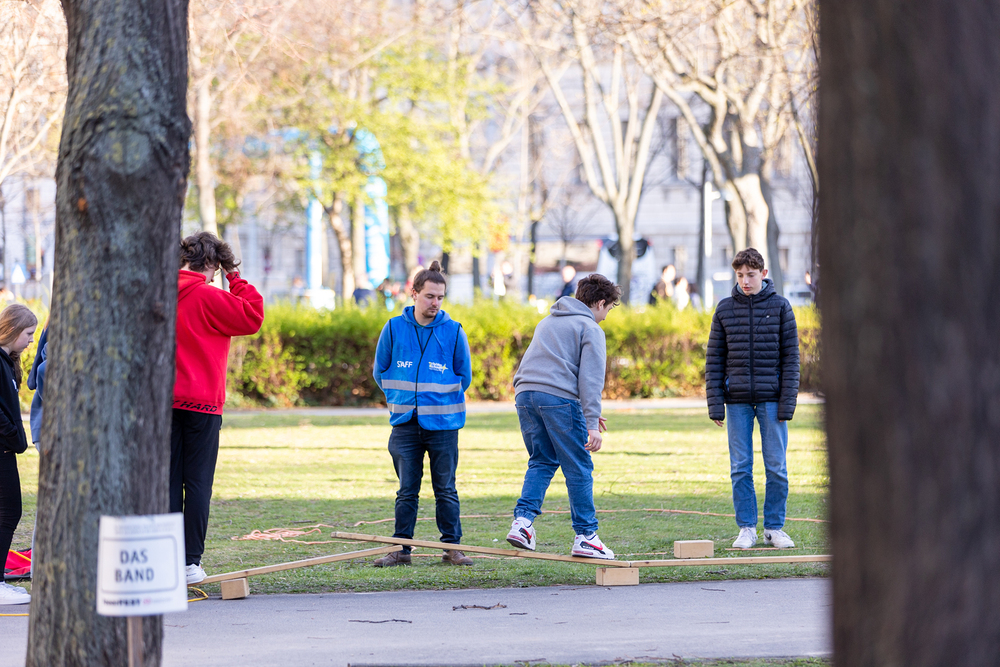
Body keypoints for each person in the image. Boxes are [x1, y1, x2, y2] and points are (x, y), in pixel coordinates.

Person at [505, 273, 621, 560]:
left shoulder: (548, 321)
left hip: (526, 396)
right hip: (558, 398)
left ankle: (523, 523)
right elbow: (590, 380)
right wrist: (591, 424)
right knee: (579, 465)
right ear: (600, 303)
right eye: (608, 310)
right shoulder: (590, 328)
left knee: (542, 459)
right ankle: (586, 536)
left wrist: (588, 413)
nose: (605, 317)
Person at [172, 232, 264, 584]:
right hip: (203, 402)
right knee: (197, 484)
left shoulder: (156, 293)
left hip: (161, 403)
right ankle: (189, 562)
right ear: (212, 264)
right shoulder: (209, 296)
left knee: (166, 482)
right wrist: (235, 278)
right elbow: (252, 316)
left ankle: (167, 557)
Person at [372, 261, 474, 567]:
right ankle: (401, 549)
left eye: (440, 297)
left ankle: (452, 548)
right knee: (406, 491)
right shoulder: (393, 328)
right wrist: (401, 399)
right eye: (430, 296)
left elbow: (464, 376)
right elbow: (380, 371)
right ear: (414, 293)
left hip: (444, 424)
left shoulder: (454, 331)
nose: (435, 303)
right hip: (405, 423)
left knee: (446, 489)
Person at [706, 248, 799, 549]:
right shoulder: (724, 309)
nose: (745, 281)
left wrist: (787, 403)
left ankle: (774, 528)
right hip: (737, 402)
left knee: (776, 467)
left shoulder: (781, 307)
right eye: (740, 275)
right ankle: (746, 528)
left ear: (764, 274)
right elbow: (714, 360)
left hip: (772, 401)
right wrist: (715, 404)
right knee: (740, 467)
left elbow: (791, 359)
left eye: (751, 275)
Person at [0, 304, 37, 605]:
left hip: (7, 448)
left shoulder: (6, 361)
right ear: (12, 330)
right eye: (28, 334)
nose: (31, 341)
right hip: (2, 448)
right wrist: (12, 435)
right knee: (9, 512)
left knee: (9, 512)